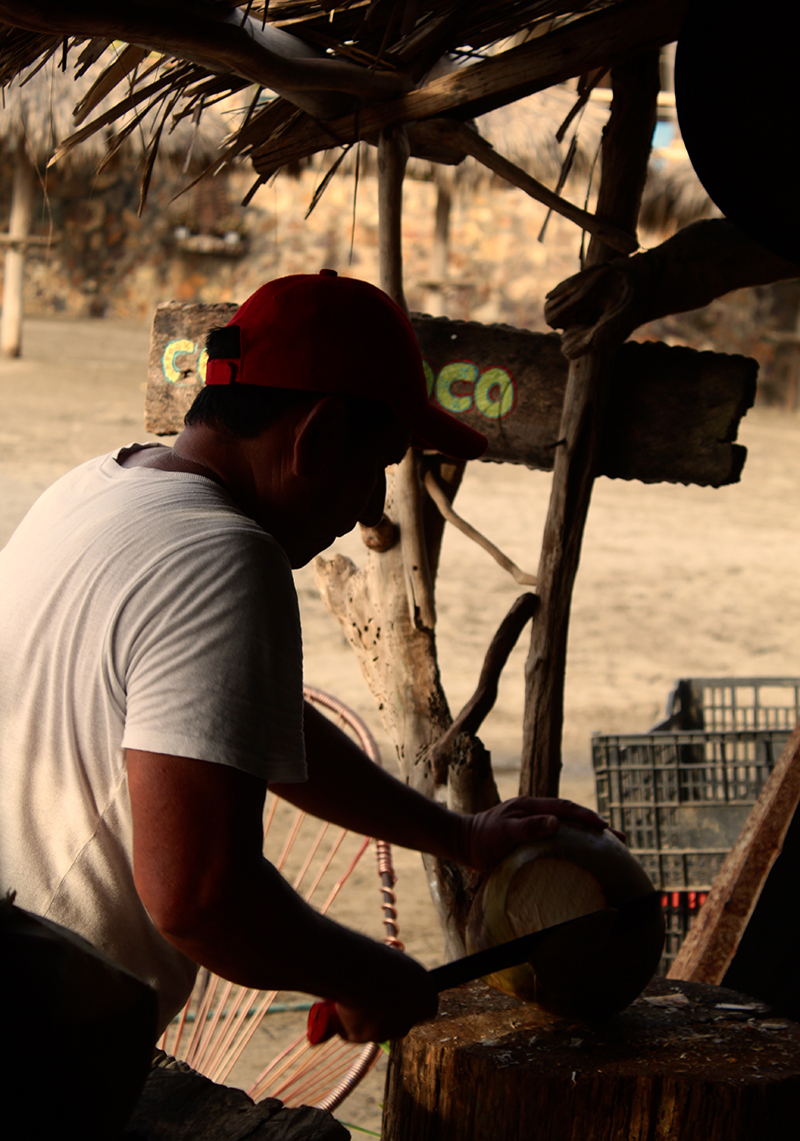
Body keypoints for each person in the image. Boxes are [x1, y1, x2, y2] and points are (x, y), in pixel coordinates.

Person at [0, 269, 608, 1048]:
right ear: (317, 437)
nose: (368, 510)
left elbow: (237, 728)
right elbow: (199, 899)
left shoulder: (102, 487)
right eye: (376, 468)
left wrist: (457, 835)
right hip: (30, 1049)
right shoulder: (223, 556)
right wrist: (364, 975)